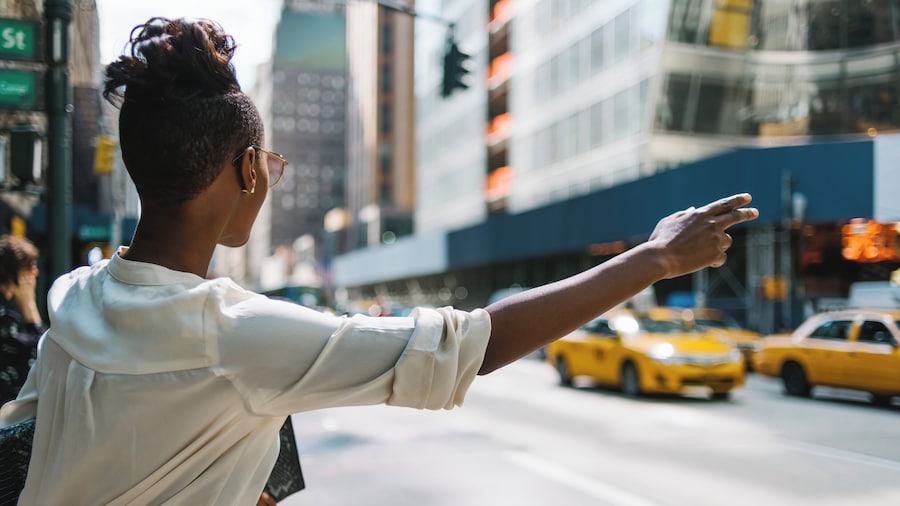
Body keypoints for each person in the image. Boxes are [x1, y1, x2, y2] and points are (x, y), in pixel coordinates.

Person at [0, 17, 758, 505]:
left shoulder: (75, 297)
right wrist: (654, 259)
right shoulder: (231, 333)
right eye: (270, 162)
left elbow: (27, 448)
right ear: (248, 172)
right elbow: (473, 343)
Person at [0, 234, 45, 406]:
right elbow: (41, 359)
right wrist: (29, 306)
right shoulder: (5, 319)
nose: (36, 272)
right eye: (30, 266)